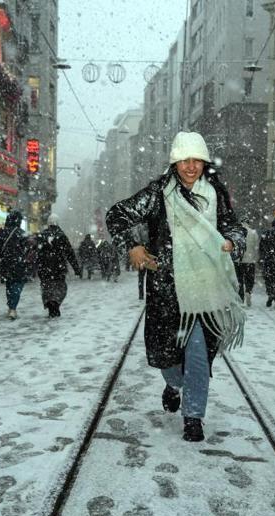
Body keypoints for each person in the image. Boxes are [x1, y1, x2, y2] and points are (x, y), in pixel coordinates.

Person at [106, 131, 246, 442]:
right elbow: (116, 215)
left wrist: (233, 240)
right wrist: (132, 246)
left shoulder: (216, 193)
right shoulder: (158, 193)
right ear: (175, 162)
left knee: (198, 354)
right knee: (167, 357)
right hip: (167, 291)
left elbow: (233, 225)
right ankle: (174, 384)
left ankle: (193, 416)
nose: (191, 166)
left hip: (206, 290)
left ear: (204, 162)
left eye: (197, 159)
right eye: (185, 160)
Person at [34, 213, 81, 318]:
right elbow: (70, 253)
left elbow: (36, 252)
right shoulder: (62, 235)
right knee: (60, 287)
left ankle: (50, 303)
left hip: (44, 268)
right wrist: (76, 268)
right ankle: (55, 303)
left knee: (47, 288)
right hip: (58, 268)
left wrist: (36, 266)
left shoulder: (42, 235)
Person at [0, 210, 28, 320]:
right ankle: (12, 307)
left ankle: (11, 306)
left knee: (9, 285)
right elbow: (27, 250)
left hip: (6, 264)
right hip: (19, 264)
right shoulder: (21, 233)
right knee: (17, 285)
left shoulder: (1, 232)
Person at [235, 221, 259, 306]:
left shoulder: (237, 232)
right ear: (249, 223)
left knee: (239, 280)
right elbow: (256, 247)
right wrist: (256, 258)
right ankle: (248, 291)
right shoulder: (253, 232)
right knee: (249, 279)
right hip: (250, 260)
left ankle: (241, 297)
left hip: (239, 261)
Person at [135, 224, 150, 299]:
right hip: (148, 254)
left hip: (142, 254)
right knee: (148, 276)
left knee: (141, 277)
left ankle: (141, 295)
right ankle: (147, 294)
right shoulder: (149, 226)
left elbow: (136, 240)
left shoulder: (139, 227)